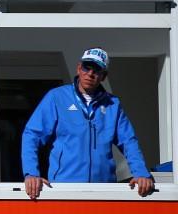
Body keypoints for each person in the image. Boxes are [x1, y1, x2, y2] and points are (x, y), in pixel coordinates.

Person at [21, 47, 154, 200]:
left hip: (103, 190)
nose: (90, 74)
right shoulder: (56, 97)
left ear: (104, 76)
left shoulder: (112, 104)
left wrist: (141, 173)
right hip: (63, 188)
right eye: (86, 67)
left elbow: (128, 141)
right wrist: (31, 173)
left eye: (97, 70)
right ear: (79, 68)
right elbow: (32, 135)